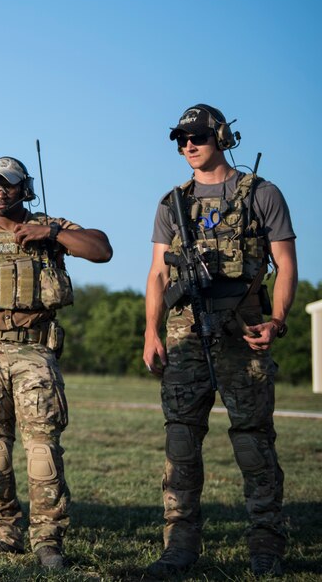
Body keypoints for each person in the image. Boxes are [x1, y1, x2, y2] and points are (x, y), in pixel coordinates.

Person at [0, 156, 112, 570]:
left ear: (24, 189)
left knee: (42, 447)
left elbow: (102, 249)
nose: (1, 192)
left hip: (34, 352)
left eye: (9, 185)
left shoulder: (50, 229)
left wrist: (49, 233)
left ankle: (47, 538)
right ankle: (4, 535)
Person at [143, 105, 296, 578]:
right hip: (186, 332)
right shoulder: (173, 203)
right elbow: (156, 273)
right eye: (180, 139)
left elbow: (286, 264)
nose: (188, 145)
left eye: (198, 137)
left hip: (243, 326)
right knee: (181, 441)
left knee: (253, 441)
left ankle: (266, 545)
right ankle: (180, 545)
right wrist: (150, 330)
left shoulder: (261, 194)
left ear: (222, 137)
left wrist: (277, 319)